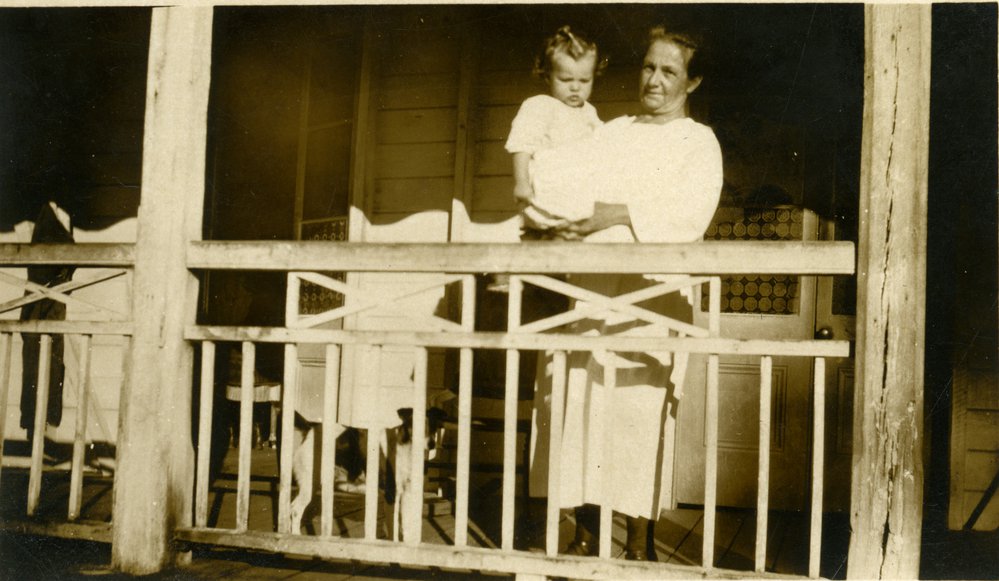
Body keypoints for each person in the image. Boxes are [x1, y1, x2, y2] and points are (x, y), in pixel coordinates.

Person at [527, 25, 723, 561]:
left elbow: (689, 215)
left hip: (651, 300)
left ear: (693, 81)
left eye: (669, 71)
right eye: (648, 67)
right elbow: (563, 179)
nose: (654, 80)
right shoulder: (612, 130)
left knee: (636, 413)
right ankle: (587, 529)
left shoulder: (698, 143)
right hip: (594, 291)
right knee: (584, 399)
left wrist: (617, 212)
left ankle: (638, 541)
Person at [505, 25, 606, 235]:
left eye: (584, 80)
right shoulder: (540, 106)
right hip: (547, 192)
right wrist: (521, 183)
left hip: (579, 196)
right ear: (547, 76)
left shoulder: (590, 113)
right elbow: (522, 145)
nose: (575, 87)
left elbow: (603, 146)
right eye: (566, 80)